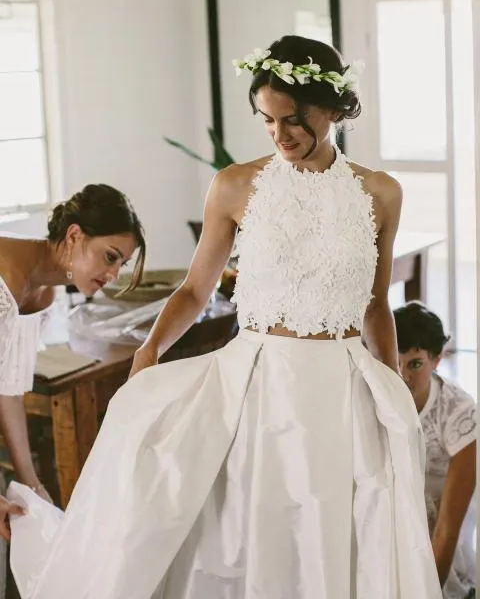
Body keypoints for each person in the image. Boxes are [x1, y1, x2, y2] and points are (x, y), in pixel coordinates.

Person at [9, 37, 442, 598]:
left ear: (332, 110)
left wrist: (392, 381)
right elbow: (194, 289)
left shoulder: (381, 192)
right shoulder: (236, 185)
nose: (279, 134)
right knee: (247, 526)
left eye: (292, 120)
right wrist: (148, 352)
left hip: (342, 383)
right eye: (266, 119)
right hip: (260, 380)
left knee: (340, 530)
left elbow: (377, 300)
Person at [0, 183, 145, 542]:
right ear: (75, 234)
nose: (113, 275)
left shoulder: (43, 292)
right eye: (110, 257)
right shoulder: (5, 275)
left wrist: (32, 483)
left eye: (121, 264)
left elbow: (8, 389)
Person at [395, 301, 476, 598]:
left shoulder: (459, 412)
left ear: (437, 359)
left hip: (441, 521)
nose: (402, 375)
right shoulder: (377, 396)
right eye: (395, 361)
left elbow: (447, 529)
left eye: (415, 363)